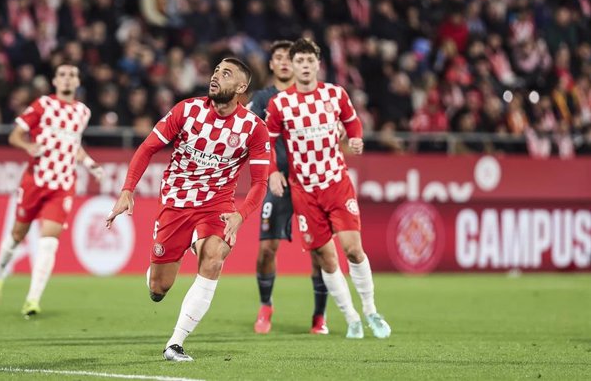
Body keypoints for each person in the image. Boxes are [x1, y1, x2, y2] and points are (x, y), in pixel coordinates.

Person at [105, 57, 270, 362]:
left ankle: (175, 343)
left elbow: (260, 182)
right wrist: (127, 189)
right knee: (158, 289)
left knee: (215, 255)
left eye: (227, 73)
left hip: (216, 205)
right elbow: (147, 148)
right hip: (176, 203)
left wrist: (240, 213)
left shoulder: (253, 128)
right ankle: (159, 268)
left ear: (241, 87)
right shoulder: (187, 110)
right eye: (217, 70)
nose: (216, 76)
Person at [265, 38, 391, 339]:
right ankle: (351, 319)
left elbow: (352, 122)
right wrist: (272, 172)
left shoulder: (335, 94)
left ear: (317, 64)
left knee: (353, 250)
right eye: (300, 62)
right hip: (304, 191)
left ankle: (371, 310)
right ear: (292, 66)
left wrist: (356, 138)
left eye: (310, 61)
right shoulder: (280, 103)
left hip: (336, 184)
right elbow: (267, 141)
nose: (305, 66)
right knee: (326, 258)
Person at [0, 64, 103, 317]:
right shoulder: (43, 105)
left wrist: (90, 163)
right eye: (62, 75)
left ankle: (32, 300)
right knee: (17, 234)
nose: (67, 79)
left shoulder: (83, 112)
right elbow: (14, 135)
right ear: (55, 81)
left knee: (49, 243)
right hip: (35, 181)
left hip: (62, 185)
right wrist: (27, 146)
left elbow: (74, 145)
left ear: (78, 81)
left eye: (72, 75)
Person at [247, 40, 329, 335]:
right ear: (271, 64)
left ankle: (319, 316)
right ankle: (265, 306)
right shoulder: (262, 99)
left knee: (320, 251)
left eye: (288, 58)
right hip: (278, 180)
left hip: (312, 181)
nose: (283, 62)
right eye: (277, 57)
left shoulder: (316, 96)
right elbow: (250, 137)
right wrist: (269, 171)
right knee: (267, 249)